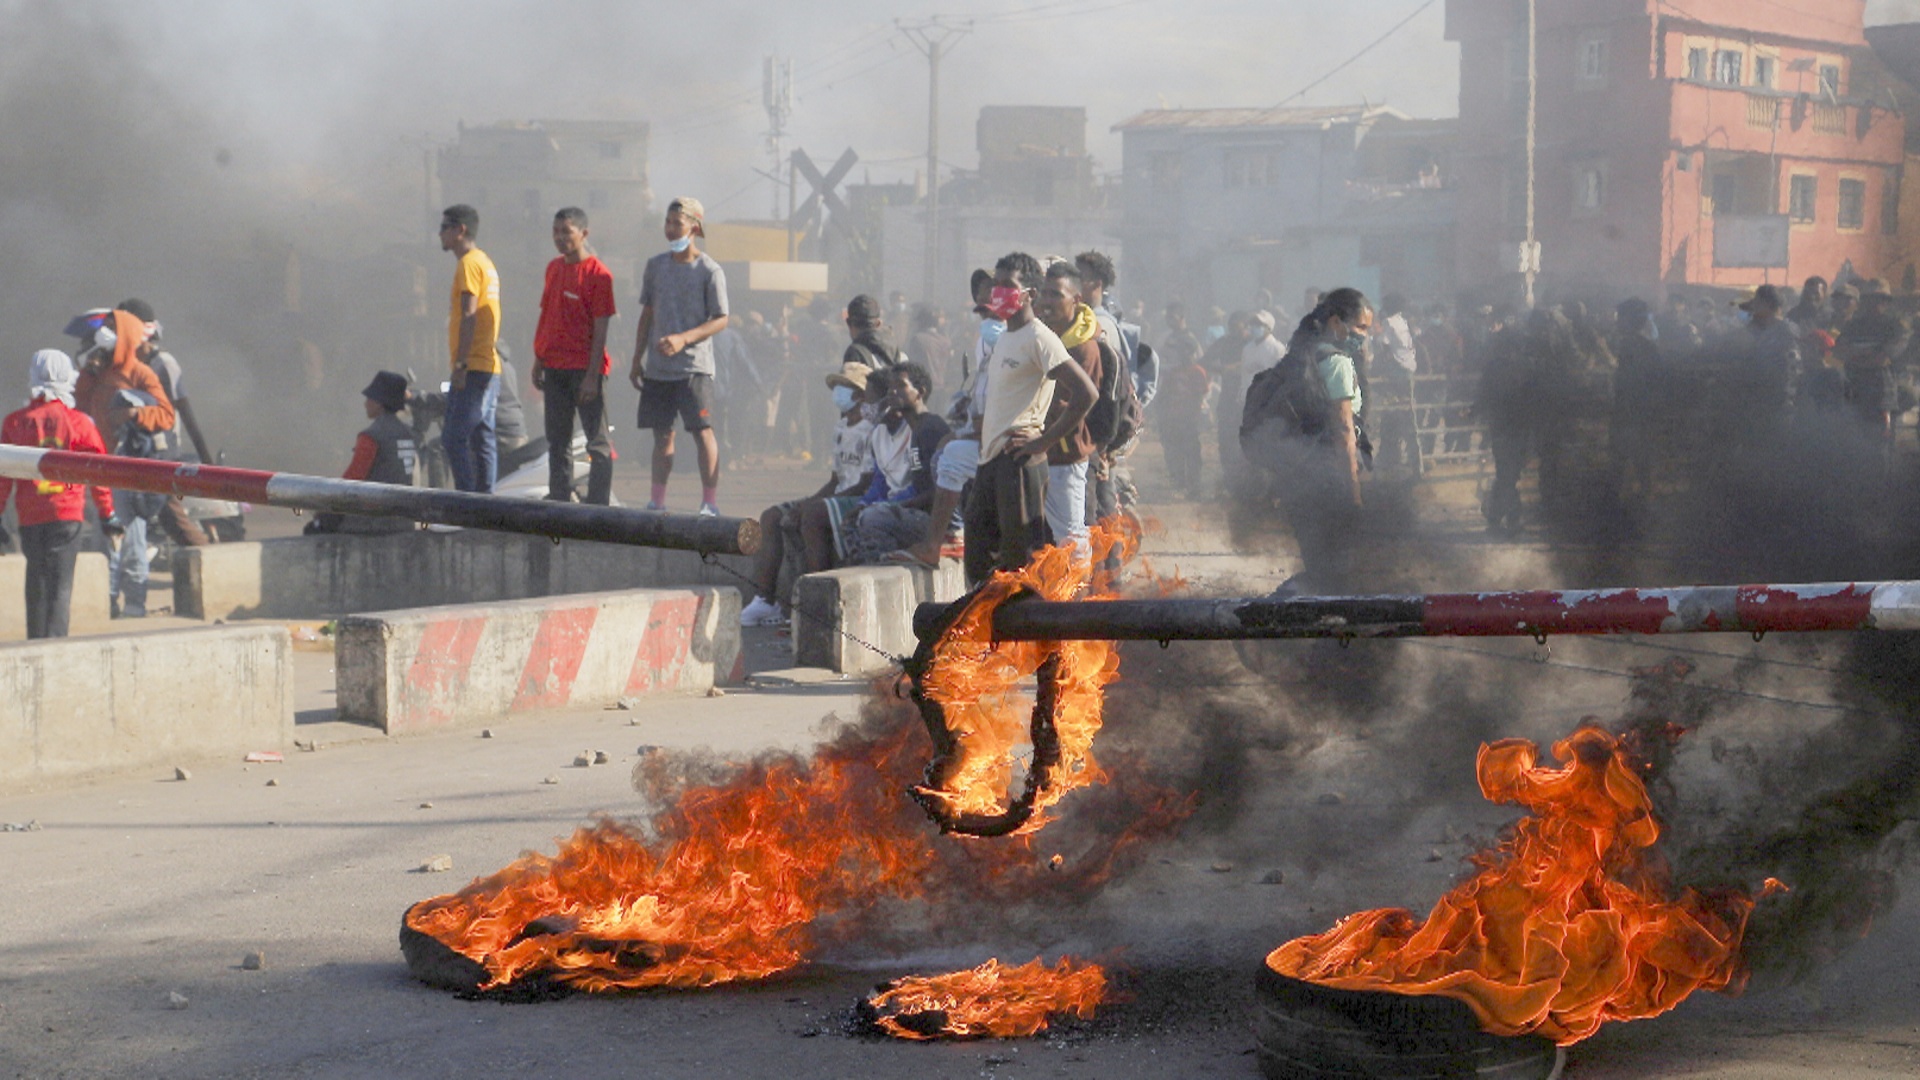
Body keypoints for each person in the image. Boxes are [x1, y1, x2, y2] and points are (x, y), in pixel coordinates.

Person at [962, 252, 1097, 583]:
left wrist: (1044, 441)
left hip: (1018, 460)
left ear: (1029, 294)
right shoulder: (1006, 336)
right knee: (980, 554)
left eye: (1007, 285)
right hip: (991, 459)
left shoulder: (1039, 337)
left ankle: (1033, 616)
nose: (998, 291)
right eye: (996, 284)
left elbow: (1086, 393)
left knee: (1021, 562)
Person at [1242, 289, 1372, 592]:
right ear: (1336, 322)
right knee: (1336, 569)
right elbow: (1344, 430)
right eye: (1360, 327)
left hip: (1296, 477)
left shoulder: (1302, 355)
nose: (1364, 335)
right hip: (1328, 477)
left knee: (1317, 562)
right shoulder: (1337, 362)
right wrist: (1354, 492)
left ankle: (1310, 610)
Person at [738, 361, 877, 626]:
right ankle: (764, 601)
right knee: (770, 516)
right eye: (837, 386)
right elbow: (835, 480)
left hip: (859, 498)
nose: (837, 392)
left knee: (813, 515)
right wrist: (809, 502)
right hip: (838, 494)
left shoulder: (870, 429)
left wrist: (816, 505)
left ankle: (817, 604)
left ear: (860, 394)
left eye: (844, 387)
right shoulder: (841, 428)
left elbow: (865, 484)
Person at [0, 350, 119, 638]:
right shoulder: (80, 423)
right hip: (67, 518)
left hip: (29, 519)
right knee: (60, 587)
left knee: (36, 583)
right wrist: (107, 514)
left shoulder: (14, 423)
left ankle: (36, 644)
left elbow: (3, 477)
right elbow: (99, 473)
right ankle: (56, 647)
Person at [629, 197, 730, 516]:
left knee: (702, 433)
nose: (671, 229)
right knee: (662, 435)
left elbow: (721, 318)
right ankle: (657, 501)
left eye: (678, 223)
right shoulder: (655, 266)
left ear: (694, 228)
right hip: (659, 368)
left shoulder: (709, 270)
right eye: (668, 223)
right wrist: (636, 358)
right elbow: (647, 313)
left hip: (693, 368)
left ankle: (709, 502)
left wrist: (684, 338)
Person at [74, 309, 174, 618]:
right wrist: (89, 372)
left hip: (129, 469)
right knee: (104, 542)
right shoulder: (98, 372)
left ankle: (134, 604)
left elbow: (166, 415)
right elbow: (78, 408)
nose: (104, 333)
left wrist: (135, 414)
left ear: (127, 335)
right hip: (100, 468)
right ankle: (107, 602)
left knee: (131, 542)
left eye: (111, 328)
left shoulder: (141, 374)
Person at [531, 206, 617, 505]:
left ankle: (598, 506)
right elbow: (548, 316)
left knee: (597, 442)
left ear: (583, 234)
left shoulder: (599, 275)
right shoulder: (553, 269)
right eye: (555, 231)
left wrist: (592, 376)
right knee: (558, 441)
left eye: (566, 232)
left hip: (585, 370)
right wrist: (539, 359)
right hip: (554, 368)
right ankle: (560, 500)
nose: (560, 237)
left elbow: (601, 329)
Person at [115, 298, 212, 548]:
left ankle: (206, 555)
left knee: (170, 514)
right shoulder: (128, 364)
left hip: (162, 450)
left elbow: (185, 411)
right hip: (136, 447)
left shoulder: (163, 364)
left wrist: (207, 460)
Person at [843, 362, 950, 565]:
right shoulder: (916, 428)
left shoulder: (930, 429)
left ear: (920, 392)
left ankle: (882, 568)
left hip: (937, 523)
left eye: (901, 386)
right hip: (919, 513)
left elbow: (934, 492)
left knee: (873, 518)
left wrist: (893, 505)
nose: (893, 392)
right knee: (856, 520)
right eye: (891, 387)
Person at [1035, 262, 1104, 554]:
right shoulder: (1044, 336)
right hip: (1041, 452)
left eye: (1055, 295)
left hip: (1065, 456)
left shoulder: (1083, 349)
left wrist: (1043, 438)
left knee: (1072, 539)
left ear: (1076, 299)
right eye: (1044, 294)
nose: (1047, 302)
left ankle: (1081, 584)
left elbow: (1075, 403)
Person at [438, 203, 503, 494]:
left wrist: (460, 364)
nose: (440, 233)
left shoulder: (468, 264)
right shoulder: (484, 262)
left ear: (460, 230)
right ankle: (485, 500)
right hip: (487, 366)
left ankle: (467, 501)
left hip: (473, 367)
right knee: (482, 439)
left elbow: (469, 314)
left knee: (453, 438)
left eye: (444, 227)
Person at [304, 372, 419, 535]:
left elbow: (351, 482)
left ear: (380, 403)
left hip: (373, 522)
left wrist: (325, 513)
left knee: (313, 531)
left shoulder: (372, 436)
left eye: (369, 399)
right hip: (403, 520)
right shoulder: (408, 435)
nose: (366, 404)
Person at [1608, 299, 1663, 504]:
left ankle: (1632, 504)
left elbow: (1632, 384)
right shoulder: (1646, 347)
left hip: (1633, 413)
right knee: (1641, 461)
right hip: (1640, 413)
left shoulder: (1632, 347)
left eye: (1620, 318)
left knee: (1631, 459)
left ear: (1629, 320)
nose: (1616, 322)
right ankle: (1643, 501)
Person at [1156, 304, 1211, 495]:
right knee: (1174, 447)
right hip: (1173, 414)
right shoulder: (1166, 340)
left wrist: (1199, 412)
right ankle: (1179, 479)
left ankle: (1194, 484)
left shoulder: (1196, 366)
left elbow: (1202, 392)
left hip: (1190, 416)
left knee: (1191, 449)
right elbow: (1164, 392)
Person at [909, 304, 956, 393]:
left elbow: (912, 363)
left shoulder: (917, 339)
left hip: (923, 387)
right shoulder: (946, 341)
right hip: (942, 386)